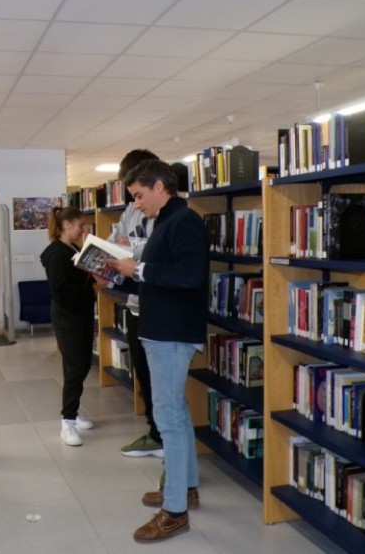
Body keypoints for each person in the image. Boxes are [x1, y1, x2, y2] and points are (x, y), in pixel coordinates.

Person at [110, 159, 209, 543]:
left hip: (171, 333)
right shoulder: (165, 222)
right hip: (161, 328)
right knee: (177, 414)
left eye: (138, 196)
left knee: (168, 418)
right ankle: (185, 489)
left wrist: (139, 270)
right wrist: (118, 271)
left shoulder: (184, 221)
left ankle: (175, 512)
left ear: (160, 186)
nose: (136, 205)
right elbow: (159, 279)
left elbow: (189, 276)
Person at [109, 149, 165, 459]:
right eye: (130, 194)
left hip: (160, 308)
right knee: (142, 373)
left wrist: (130, 247)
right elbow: (114, 239)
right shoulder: (130, 212)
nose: (135, 201)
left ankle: (166, 434)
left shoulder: (168, 212)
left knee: (163, 380)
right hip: (134, 305)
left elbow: (158, 250)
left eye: (137, 192)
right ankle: (154, 431)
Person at [41, 206, 97, 446]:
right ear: (66, 226)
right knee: (75, 367)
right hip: (68, 317)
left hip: (82, 314)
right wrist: (89, 288)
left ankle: (73, 411)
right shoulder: (56, 253)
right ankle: (68, 421)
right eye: (79, 225)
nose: (82, 230)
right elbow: (60, 290)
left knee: (82, 364)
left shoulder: (73, 248)